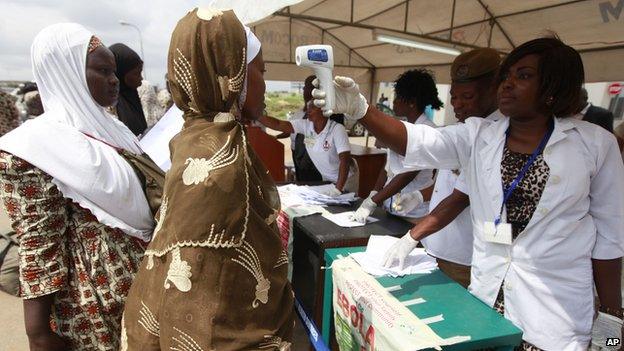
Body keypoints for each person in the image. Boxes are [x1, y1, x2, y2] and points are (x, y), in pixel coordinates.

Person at [312, 37, 624, 350]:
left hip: (554, 316)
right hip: (486, 301)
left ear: (555, 85)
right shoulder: (479, 135)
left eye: (524, 76)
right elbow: (420, 141)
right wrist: (362, 110)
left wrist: (611, 327)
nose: (508, 83)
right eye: (507, 76)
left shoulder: (595, 145)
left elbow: (609, 238)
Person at [121, 9, 294, 350]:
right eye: (260, 71)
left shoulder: (194, 135)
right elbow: (198, 304)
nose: (264, 82)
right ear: (231, 76)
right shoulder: (220, 161)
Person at [0, 24, 163, 350]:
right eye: (102, 71)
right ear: (67, 73)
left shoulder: (111, 130)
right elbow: (38, 245)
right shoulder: (32, 147)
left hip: (143, 293)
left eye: (114, 71)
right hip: (92, 310)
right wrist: (38, 334)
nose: (114, 79)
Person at [407, 48, 501, 288]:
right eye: (454, 98)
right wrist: (419, 195)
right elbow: (446, 184)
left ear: (495, 90)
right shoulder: (465, 128)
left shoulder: (500, 135)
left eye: (467, 97)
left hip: (462, 256)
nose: (458, 105)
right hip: (435, 245)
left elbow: (460, 199)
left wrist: (412, 236)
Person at [352, 69, 440, 224]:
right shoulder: (403, 128)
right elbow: (388, 167)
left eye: (399, 97)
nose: (394, 101)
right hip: (390, 207)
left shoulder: (428, 131)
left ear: (412, 102)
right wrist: (374, 192)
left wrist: (373, 201)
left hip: (414, 214)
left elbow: (408, 174)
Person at [260, 99, 357, 195]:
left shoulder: (337, 129)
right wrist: (257, 116)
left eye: (312, 108)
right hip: (328, 181)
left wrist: (338, 189)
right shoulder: (306, 125)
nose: (308, 111)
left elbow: (345, 161)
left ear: (324, 110)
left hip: (346, 181)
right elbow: (279, 124)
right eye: (307, 108)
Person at [109, 43, 148, 136]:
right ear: (120, 73)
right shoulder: (110, 106)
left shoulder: (132, 98)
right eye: (137, 73)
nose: (141, 78)